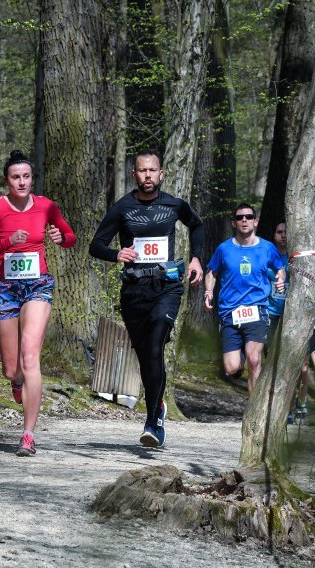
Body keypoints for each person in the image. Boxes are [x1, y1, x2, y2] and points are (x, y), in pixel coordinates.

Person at [89, 148, 204, 448]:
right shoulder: (122, 208)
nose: (148, 176)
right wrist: (117, 254)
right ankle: (159, 405)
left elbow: (198, 226)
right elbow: (96, 246)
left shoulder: (175, 205)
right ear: (134, 174)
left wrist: (197, 259)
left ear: (162, 173)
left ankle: (153, 420)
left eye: (152, 170)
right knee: (145, 358)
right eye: (142, 170)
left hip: (167, 287)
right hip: (134, 291)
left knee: (155, 346)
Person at [0, 150, 76, 457]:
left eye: (26, 176)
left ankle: (28, 435)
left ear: (32, 178)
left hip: (37, 285)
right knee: (11, 368)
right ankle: (17, 382)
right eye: (16, 177)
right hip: (4, 288)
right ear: (7, 180)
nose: (22, 182)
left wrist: (61, 238)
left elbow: (69, 236)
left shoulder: (46, 206)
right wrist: (6, 244)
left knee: (31, 356)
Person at [204, 204, 285, 393]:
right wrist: (209, 292)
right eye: (240, 218)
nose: (244, 220)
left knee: (255, 360)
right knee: (231, 368)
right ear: (234, 223)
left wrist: (281, 280)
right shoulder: (224, 249)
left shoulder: (267, 248)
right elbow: (211, 272)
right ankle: (241, 355)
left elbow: (280, 268)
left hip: (257, 309)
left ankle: (253, 412)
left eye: (249, 217)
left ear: (255, 221)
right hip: (229, 311)